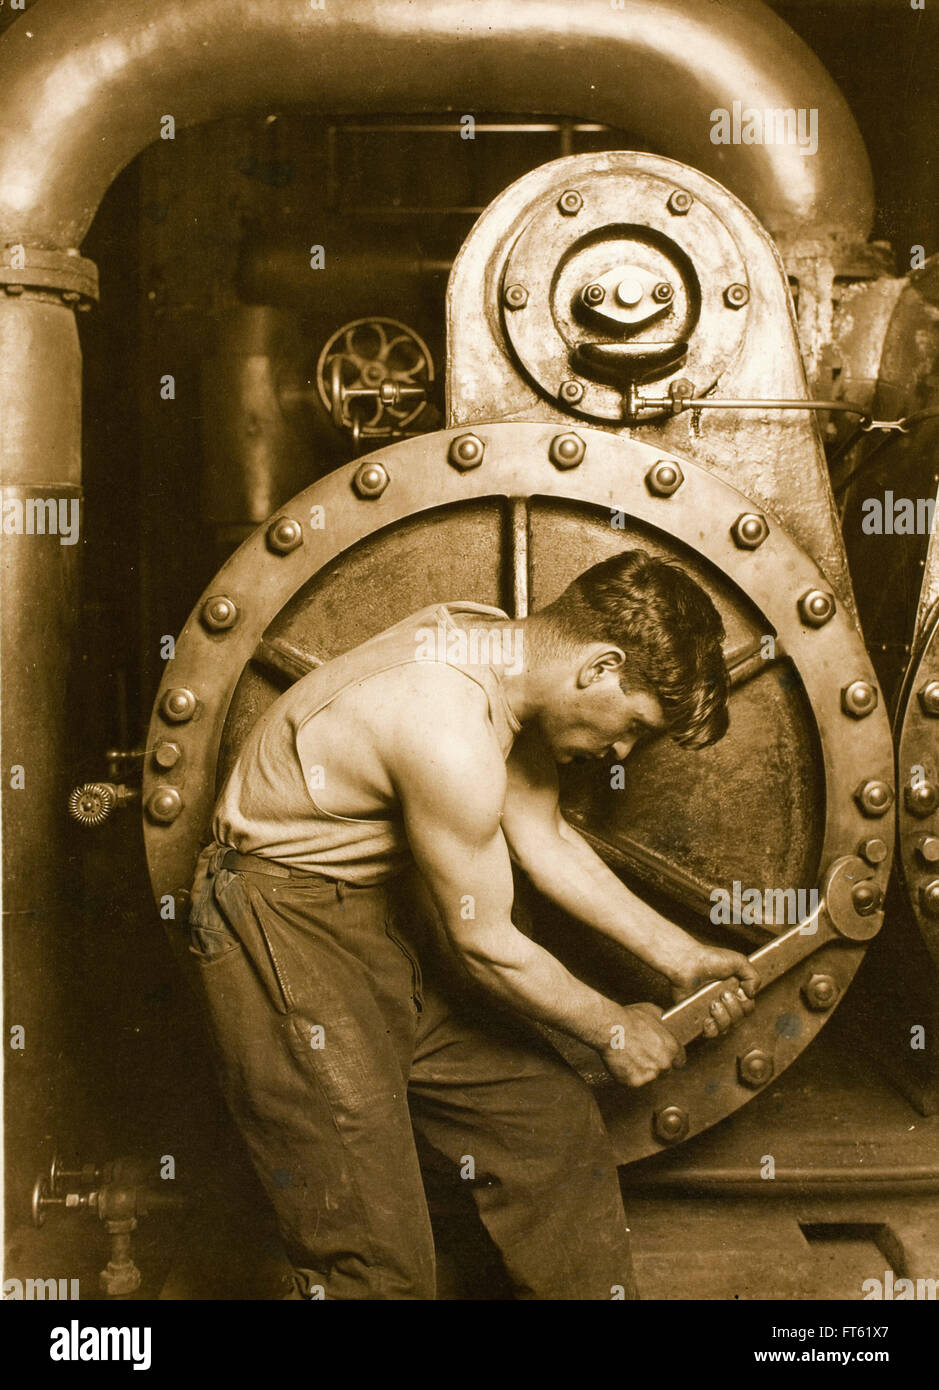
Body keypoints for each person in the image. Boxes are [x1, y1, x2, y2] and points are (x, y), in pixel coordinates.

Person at [187, 548, 759, 1299]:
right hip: (280, 930)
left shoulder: (496, 649)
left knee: (546, 1129)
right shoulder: (443, 723)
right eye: (635, 725)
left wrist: (681, 956)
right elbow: (486, 945)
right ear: (598, 667)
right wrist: (612, 1027)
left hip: (377, 918)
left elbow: (543, 835)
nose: (621, 752)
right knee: (374, 1253)